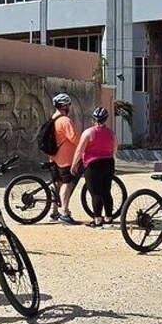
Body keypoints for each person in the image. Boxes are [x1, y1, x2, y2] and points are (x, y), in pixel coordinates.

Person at [72, 106, 118, 228]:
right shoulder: (111, 133)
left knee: (95, 193)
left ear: (93, 119)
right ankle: (109, 217)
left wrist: (74, 164)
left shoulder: (88, 133)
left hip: (93, 165)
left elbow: (79, 150)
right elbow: (115, 149)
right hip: (108, 163)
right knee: (106, 192)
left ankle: (97, 219)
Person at [49, 93, 80, 225]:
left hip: (53, 157)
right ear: (64, 106)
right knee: (66, 184)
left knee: (58, 183)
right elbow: (75, 138)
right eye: (68, 105)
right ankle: (65, 212)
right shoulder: (65, 121)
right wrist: (85, 144)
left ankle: (54, 211)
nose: (69, 107)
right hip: (66, 158)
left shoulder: (53, 118)